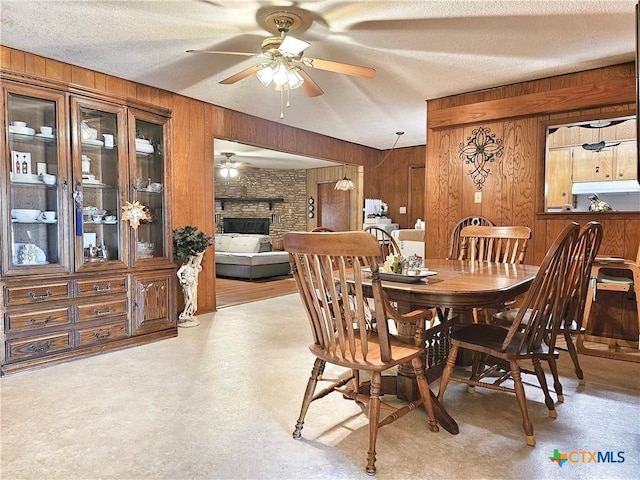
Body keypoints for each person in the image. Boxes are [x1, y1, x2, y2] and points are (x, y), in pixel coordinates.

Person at [176, 252, 204, 326]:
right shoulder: (185, 266)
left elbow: (198, 269)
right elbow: (178, 273)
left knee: (191, 298)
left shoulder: (193, 267)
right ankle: (184, 313)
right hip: (187, 284)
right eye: (190, 258)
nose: (191, 259)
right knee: (190, 298)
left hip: (192, 283)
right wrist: (182, 280)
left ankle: (188, 313)